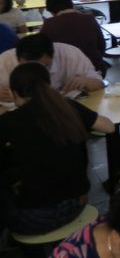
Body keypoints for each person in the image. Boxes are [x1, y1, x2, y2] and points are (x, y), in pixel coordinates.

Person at [0, 62, 114, 235]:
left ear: (15, 93)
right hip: (78, 203)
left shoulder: (10, 121)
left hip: (33, 219)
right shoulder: (67, 107)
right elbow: (109, 127)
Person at [0, 34, 104, 101]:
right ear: (18, 59)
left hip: (64, 113)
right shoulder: (5, 61)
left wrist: (86, 81)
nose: (36, 72)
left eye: (44, 66)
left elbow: (99, 83)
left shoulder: (70, 54)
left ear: (53, 56)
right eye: (28, 67)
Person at [41, 0, 107, 74]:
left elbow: (43, 52)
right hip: (96, 69)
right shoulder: (89, 19)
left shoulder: (49, 24)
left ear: (50, 9)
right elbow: (102, 45)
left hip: (65, 74)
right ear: (71, 4)